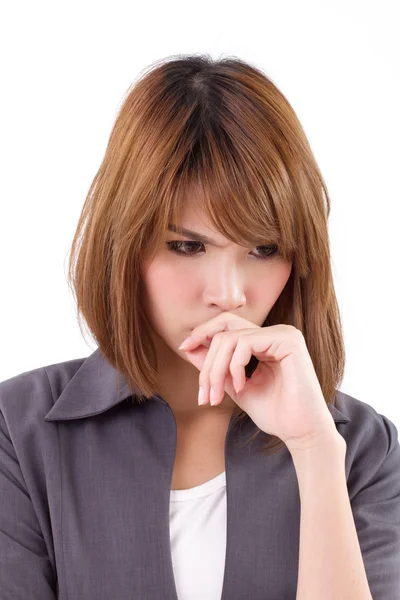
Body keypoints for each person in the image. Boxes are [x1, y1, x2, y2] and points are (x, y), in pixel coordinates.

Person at [1, 54, 399, 600]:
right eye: (187, 246)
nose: (230, 293)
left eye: (264, 249)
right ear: (123, 244)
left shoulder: (362, 449)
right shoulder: (17, 432)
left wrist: (313, 449)